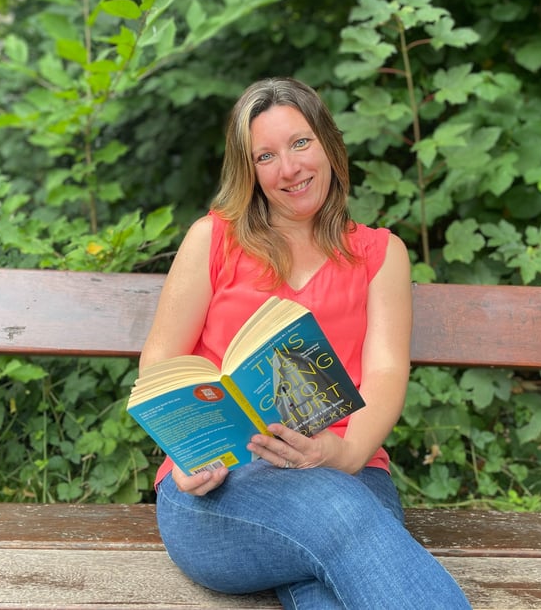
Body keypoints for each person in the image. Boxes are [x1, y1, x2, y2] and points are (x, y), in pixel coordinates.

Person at [139, 77, 471, 609]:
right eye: (265, 156)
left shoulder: (380, 254)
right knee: (341, 516)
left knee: (331, 563)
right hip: (220, 490)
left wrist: (343, 452)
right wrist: (187, 452)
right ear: (250, 171)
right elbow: (161, 360)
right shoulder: (215, 238)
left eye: (299, 143)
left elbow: (385, 373)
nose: (289, 169)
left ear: (329, 145)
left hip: (348, 467)